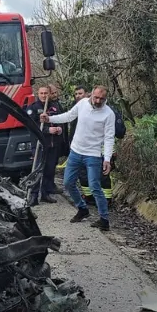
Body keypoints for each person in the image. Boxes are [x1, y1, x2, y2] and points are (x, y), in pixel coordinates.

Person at [43, 85, 117, 232]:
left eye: (101, 99)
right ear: (91, 94)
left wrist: (107, 159)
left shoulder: (108, 114)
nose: (97, 101)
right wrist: (49, 118)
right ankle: (82, 209)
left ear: (105, 98)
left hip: (93, 155)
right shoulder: (82, 103)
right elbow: (68, 116)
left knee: (95, 187)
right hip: (76, 151)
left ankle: (104, 219)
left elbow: (109, 138)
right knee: (68, 183)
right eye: (95, 97)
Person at [24, 86, 63, 205]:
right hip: (39, 144)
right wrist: (47, 129)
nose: (44, 95)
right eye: (41, 93)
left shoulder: (55, 107)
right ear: (38, 94)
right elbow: (32, 125)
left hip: (53, 144)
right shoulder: (33, 108)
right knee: (37, 170)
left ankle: (45, 194)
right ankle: (33, 196)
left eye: (46, 93)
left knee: (49, 170)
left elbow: (61, 120)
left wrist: (59, 129)